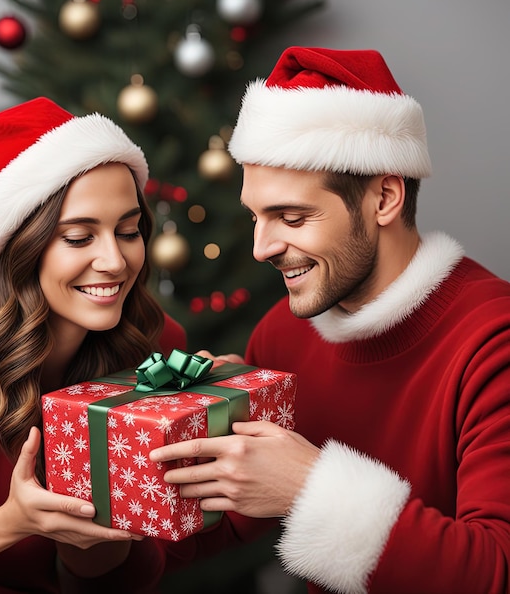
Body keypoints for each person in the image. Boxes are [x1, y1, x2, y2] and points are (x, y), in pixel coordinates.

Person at [149, 47, 510, 593]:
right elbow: (222, 526)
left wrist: (307, 486)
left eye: (291, 217)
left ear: (384, 197)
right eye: (255, 217)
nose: (262, 247)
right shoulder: (281, 332)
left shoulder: (494, 341)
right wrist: (196, 436)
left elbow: (495, 572)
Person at [0, 97, 186, 593]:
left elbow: (123, 580)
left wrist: (98, 524)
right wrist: (11, 523)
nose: (114, 260)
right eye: (78, 238)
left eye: (128, 231)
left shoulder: (154, 350)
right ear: (22, 248)